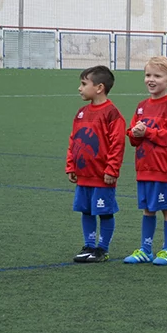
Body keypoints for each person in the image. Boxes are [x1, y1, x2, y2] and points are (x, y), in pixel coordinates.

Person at [123, 56, 167, 266]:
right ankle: (146, 249)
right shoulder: (141, 106)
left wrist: (148, 132)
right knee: (148, 209)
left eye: (157, 76)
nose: (151, 79)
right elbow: (132, 138)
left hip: (162, 168)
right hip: (144, 168)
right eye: (148, 75)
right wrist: (136, 133)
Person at [67, 65, 126, 263]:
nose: (79, 88)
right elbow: (74, 140)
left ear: (99, 87)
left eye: (84, 84)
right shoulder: (81, 113)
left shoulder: (111, 113)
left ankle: (103, 249)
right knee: (86, 210)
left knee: (104, 212)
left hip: (102, 176)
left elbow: (117, 144)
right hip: (84, 175)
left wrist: (112, 169)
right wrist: (71, 165)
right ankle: (89, 245)